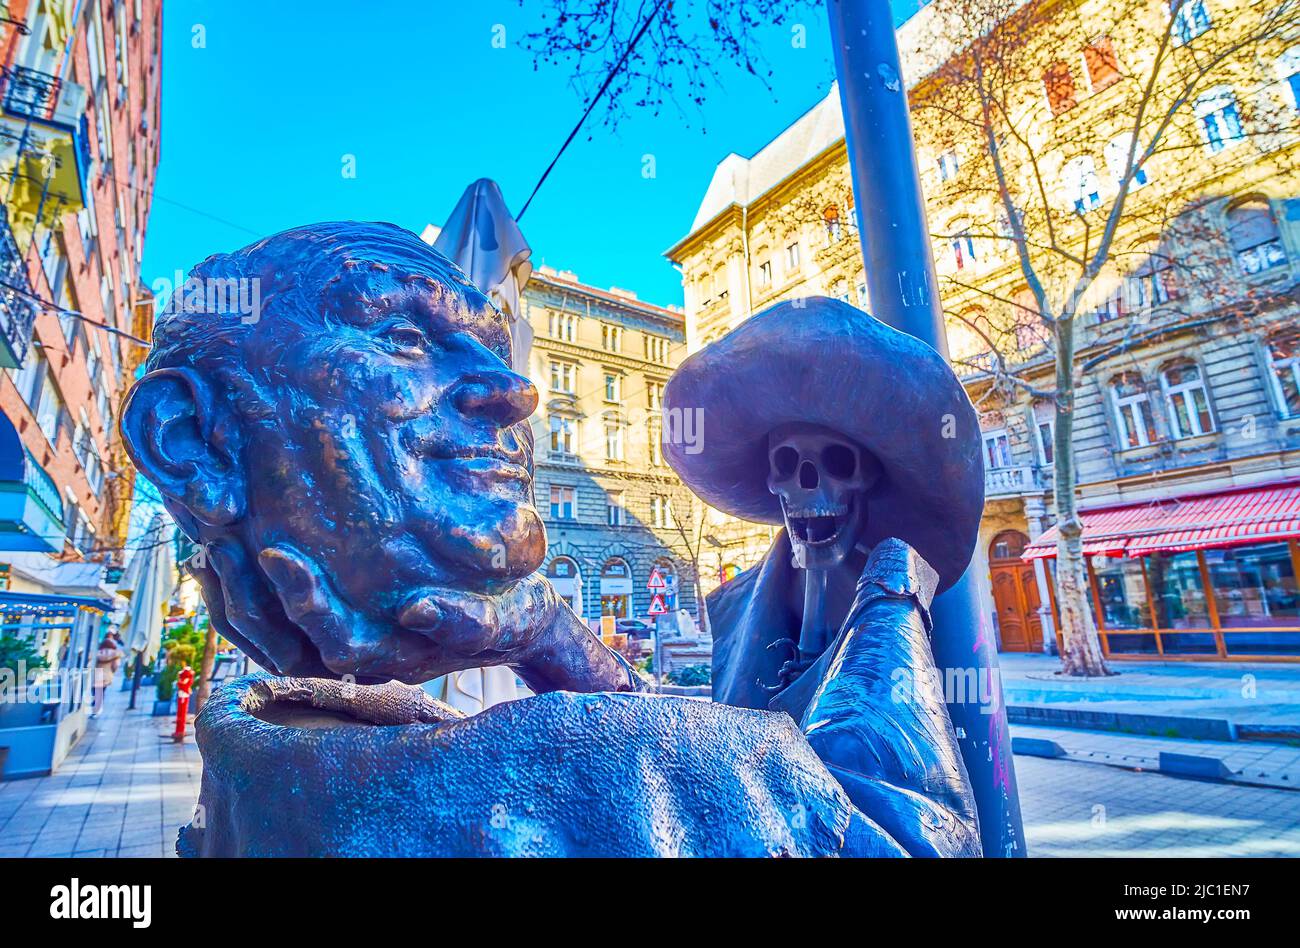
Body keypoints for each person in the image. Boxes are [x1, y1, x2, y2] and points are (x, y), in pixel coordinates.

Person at [92, 633, 124, 718]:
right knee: (102, 692)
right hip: (107, 674)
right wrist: (113, 671)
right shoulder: (115, 653)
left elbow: (92, 663)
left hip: (97, 673)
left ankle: (94, 707)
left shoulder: (98, 652)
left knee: (96, 692)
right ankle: (97, 709)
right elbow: (116, 665)